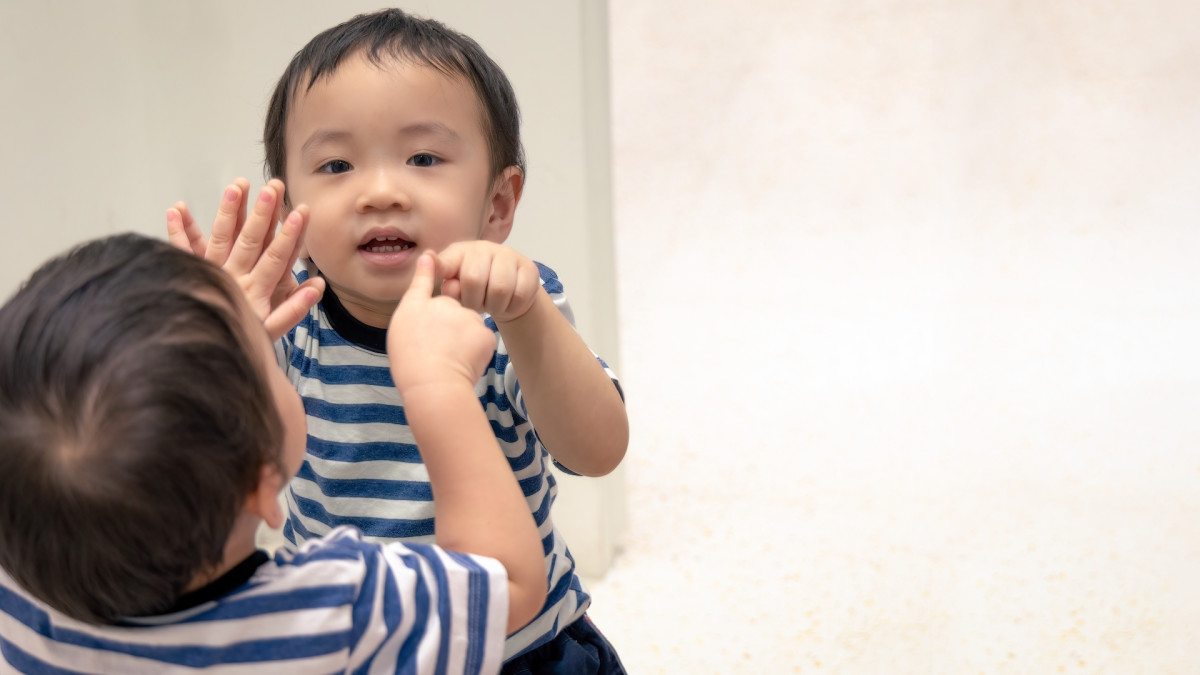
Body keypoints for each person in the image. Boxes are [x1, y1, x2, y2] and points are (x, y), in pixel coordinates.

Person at [167, 8, 629, 671]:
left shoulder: (505, 309)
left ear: (498, 204)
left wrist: (529, 318)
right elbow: (192, 471)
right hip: (344, 646)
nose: (380, 191)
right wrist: (219, 332)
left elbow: (598, 451)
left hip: (516, 647)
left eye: (422, 157)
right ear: (287, 204)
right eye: (335, 166)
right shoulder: (288, 318)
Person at [0, 227, 546, 673]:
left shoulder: (22, 602)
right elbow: (509, 583)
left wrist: (209, 333)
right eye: (264, 353)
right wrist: (438, 384)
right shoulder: (338, 612)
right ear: (260, 485)